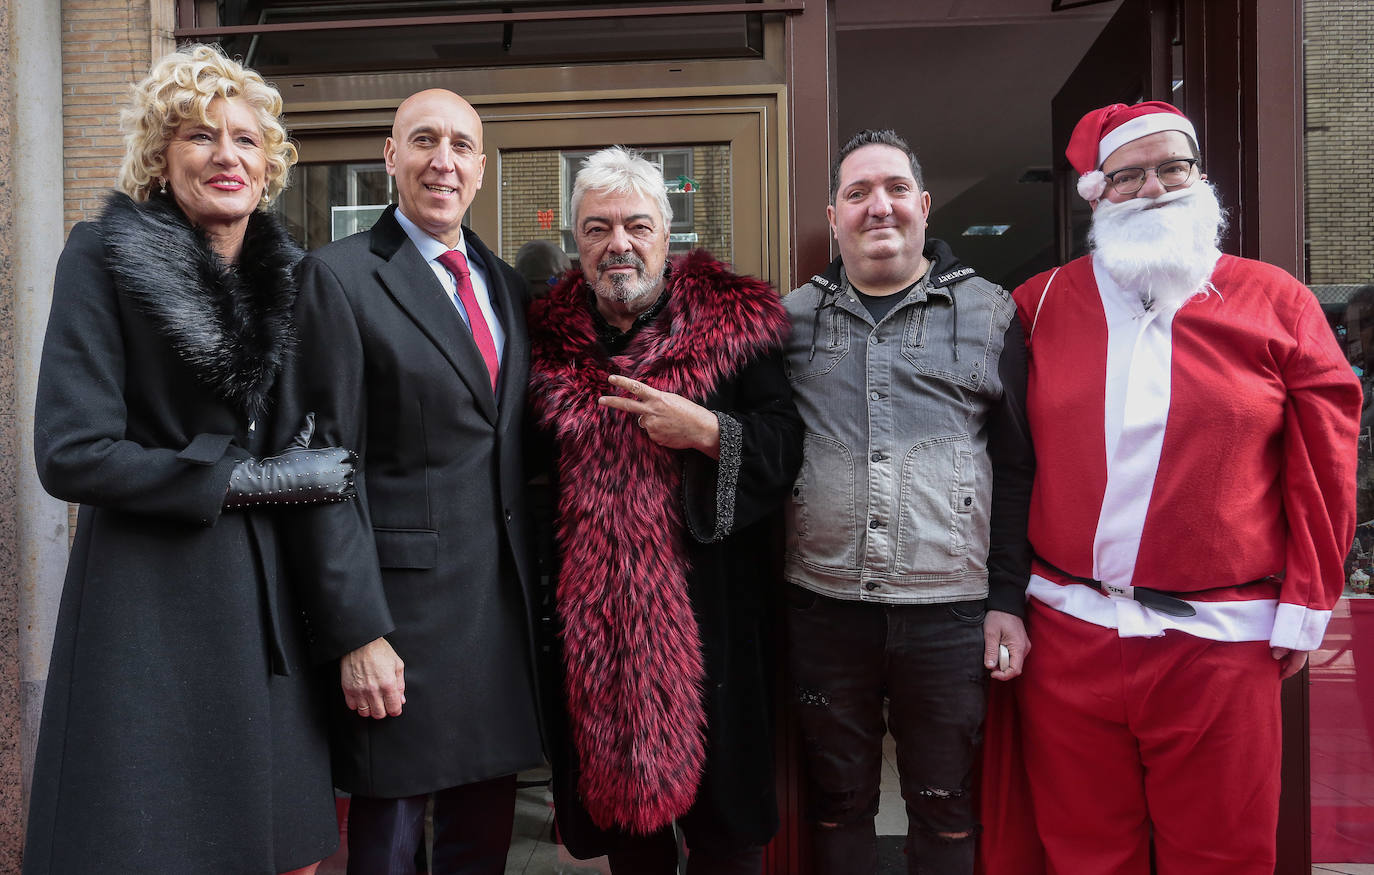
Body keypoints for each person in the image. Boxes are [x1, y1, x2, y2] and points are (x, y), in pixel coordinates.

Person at [24, 44, 356, 874]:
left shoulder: (291, 276)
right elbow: (70, 453)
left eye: (247, 139)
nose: (226, 155)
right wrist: (246, 478)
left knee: (289, 853)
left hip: (267, 609)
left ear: (270, 163)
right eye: (200, 136)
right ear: (160, 156)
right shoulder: (100, 256)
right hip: (148, 615)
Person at [1009, 100, 1360, 873]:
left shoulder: (1276, 300)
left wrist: (1308, 599)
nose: (1156, 188)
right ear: (1097, 195)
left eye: (1174, 167)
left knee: (1222, 855)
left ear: (1201, 177)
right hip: (1070, 634)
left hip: (1220, 641)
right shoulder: (1037, 306)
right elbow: (1003, 462)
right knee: (1085, 851)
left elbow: (1325, 459)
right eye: (1129, 174)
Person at [267, 88, 543, 875]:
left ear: (482, 168)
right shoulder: (337, 278)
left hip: (501, 618)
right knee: (387, 850)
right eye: (424, 140)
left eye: (461, 145)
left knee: (480, 847)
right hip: (399, 625)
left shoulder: (504, 283)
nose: (443, 160)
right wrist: (356, 630)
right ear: (391, 157)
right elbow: (319, 470)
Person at [527, 146, 803, 874]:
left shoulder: (736, 325)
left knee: (727, 840)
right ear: (576, 242)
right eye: (597, 228)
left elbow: (788, 448)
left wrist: (710, 431)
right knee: (631, 844)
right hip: (596, 641)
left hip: (710, 624)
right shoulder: (543, 345)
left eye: (636, 225)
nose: (618, 243)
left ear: (666, 232)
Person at [780, 129, 1033, 874]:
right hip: (824, 606)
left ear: (923, 205)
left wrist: (1007, 597)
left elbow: (1017, 466)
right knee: (838, 798)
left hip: (950, 613)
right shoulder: (790, 321)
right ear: (833, 217)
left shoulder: (991, 314)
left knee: (944, 802)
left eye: (893, 189)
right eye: (857, 193)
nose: (877, 206)